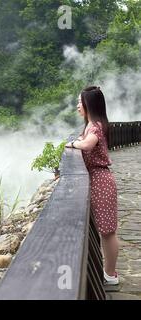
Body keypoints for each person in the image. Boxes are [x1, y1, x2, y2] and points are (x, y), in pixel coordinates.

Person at [65, 86, 119, 285]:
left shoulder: (95, 126)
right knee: (105, 231)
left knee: (107, 231)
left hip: (101, 181)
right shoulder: (91, 125)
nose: (78, 105)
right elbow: (85, 140)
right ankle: (108, 272)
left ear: (89, 104)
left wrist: (72, 144)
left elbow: (87, 145)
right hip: (97, 180)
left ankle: (111, 275)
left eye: (80, 101)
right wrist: (78, 139)